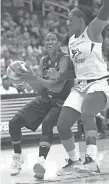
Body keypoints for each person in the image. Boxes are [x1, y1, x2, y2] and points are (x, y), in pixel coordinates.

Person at [48, 1, 109, 175]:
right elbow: (75, 71)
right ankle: (74, 160)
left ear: (81, 20)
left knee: (87, 113)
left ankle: (91, 160)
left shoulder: (91, 31)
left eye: (70, 19)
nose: (67, 22)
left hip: (99, 83)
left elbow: (106, 11)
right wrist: (59, 75)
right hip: (81, 86)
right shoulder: (71, 41)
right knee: (62, 125)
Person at [9, 32, 74, 178]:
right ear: (44, 44)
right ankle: (18, 157)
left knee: (47, 124)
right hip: (44, 99)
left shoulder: (65, 59)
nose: (49, 41)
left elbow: (57, 87)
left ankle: (41, 162)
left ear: (58, 43)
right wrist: (26, 78)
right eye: (47, 39)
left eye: (53, 39)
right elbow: (40, 89)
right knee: (14, 123)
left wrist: (33, 77)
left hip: (60, 102)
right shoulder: (43, 60)